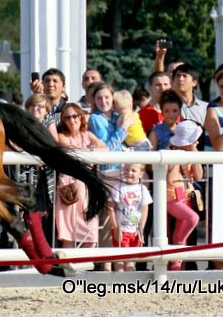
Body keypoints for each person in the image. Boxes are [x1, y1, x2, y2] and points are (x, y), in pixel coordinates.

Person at [54, 103, 106, 249]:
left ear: (80, 117)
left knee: (91, 234)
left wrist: (92, 149)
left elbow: (104, 148)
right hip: (68, 187)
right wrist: (91, 150)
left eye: (75, 116)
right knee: (69, 234)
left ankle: (84, 267)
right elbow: (70, 150)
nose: (72, 120)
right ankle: (68, 266)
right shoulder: (62, 136)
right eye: (68, 117)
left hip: (87, 187)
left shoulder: (88, 135)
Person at [165, 120, 203, 271]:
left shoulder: (192, 154)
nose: (197, 142)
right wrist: (178, 155)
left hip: (185, 197)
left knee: (179, 234)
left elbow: (198, 176)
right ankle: (177, 252)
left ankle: (176, 267)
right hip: (172, 198)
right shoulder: (171, 155)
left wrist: (195, 155)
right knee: (192, 219)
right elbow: (170, 179)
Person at [107, 163, 152, 272]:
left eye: (133, 170)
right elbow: (110, 208)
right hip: (122, 229)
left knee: (131, 259)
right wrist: (116, 226)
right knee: (120, 258)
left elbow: (145, 209)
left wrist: (141, 228)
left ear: (141, 174)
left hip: (135, 230)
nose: (129, 173)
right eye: (126, 170)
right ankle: (120, 280)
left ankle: (129, 281)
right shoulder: (119, 187)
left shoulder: (143, 189)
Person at [88, 83, 125, 173]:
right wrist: (124, 127)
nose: (103, 101)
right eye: (99, 98)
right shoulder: (95, 118)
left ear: (112, 98)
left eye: (107, 97)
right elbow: (106, 147)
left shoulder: (117, 116)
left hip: (123, 166)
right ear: (94, 101)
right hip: (108, 168)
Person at [172, 64, 208, 130]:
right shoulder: (168, 106)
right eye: (178, 76)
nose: (180, 79)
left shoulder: (205, 108)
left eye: (184, 76)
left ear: (194, 82)